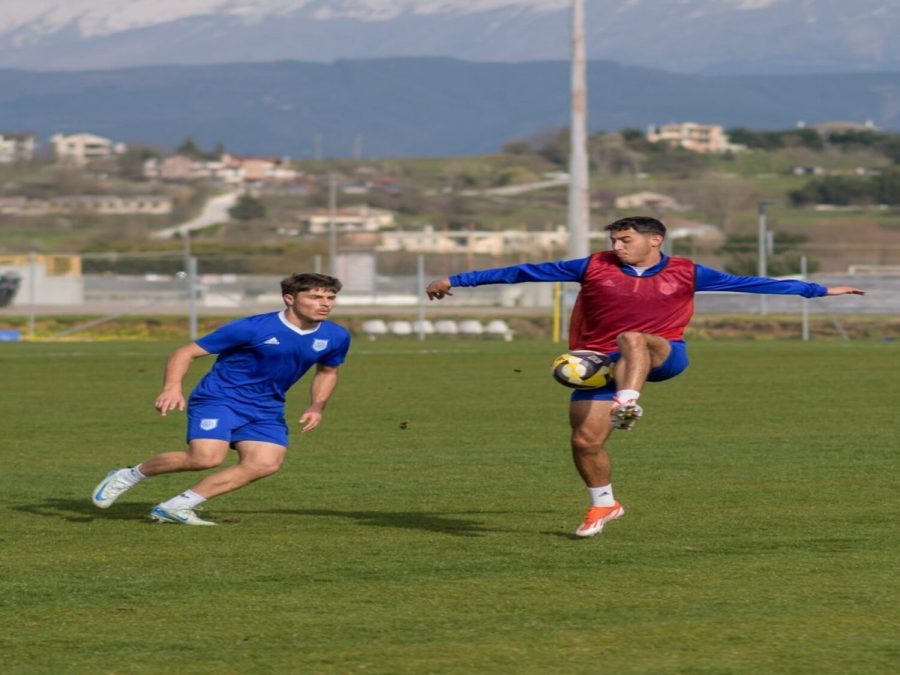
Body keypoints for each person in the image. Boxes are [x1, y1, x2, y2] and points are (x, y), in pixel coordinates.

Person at [425, 216, 864, 539]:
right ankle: (604, 505)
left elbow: (753, 284)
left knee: (634, 337)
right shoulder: (592, 266)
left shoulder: (687, 271)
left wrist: (819, 290)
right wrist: (456, 279)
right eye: (614, 239)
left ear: (655, 241)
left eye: (626, 239)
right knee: (584, 442)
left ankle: (628, 402)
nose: (618, 245)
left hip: (663, 354)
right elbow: (521, 271)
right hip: (599, 363)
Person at [91, 272, 351, 526]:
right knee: (205, 458)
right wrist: (171, 388)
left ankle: (176, 506)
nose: (325, 304)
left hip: (266, 406)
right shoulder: (251, 327)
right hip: (220, 398)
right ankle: (129, 475)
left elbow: (328, 371)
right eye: (316, 297)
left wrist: (317, 405)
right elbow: (185, 353)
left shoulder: (336, 336)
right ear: (289, 298)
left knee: (264, 464)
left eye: (330, 298)